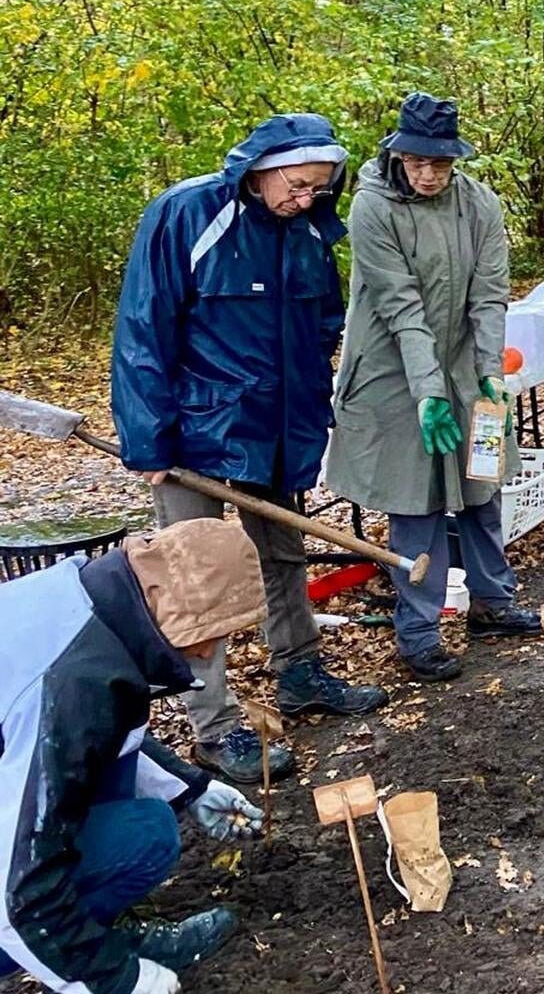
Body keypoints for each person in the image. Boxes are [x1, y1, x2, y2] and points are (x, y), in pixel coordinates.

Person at [111, 114, 387, 785]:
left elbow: (326, 315)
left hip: (280, 425)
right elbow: (142, 330)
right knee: (198, 576)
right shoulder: (185, 214)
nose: (306, 199)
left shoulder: (310, 228)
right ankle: (215, 724)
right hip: (197, 433)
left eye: (320, 188)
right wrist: (145, 437)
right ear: (261, 169)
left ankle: (299, 670)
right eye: (297, 185)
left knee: (282, 554)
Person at [1, 519, 272, 994]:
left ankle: (85, 938)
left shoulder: (92, 604)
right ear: (171, 606)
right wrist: (116, 979)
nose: (209, 651)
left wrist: (192, 787)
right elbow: (15, 890)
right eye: (209, 633)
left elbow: (89, 743)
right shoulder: (71, 682)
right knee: (136, 842)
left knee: (147, 831)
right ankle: (76, 950)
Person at [325, 93, 544, 682]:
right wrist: (428, 391)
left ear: (455, 160)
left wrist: (490, 375)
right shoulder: (372, 208)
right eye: (418, 162)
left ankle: (493, 605)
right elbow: (401, 307)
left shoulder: (479, 204)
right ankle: (418, 631)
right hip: (393, 373)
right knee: (415, 501)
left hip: (464, 364)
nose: (428, 175)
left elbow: (488, 294)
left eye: (439, 164)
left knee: (482, 483)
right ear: (399, 154)